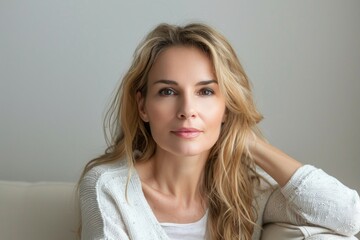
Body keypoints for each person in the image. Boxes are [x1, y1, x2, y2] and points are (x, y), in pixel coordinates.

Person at [78, 23, 360, 240]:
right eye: (167, 91)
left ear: (226, 107)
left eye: (205, 91)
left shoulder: (246, 193)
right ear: (143, 106)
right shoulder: (109, 188)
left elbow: (349, 217)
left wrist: (250, 143)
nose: (187, 109)